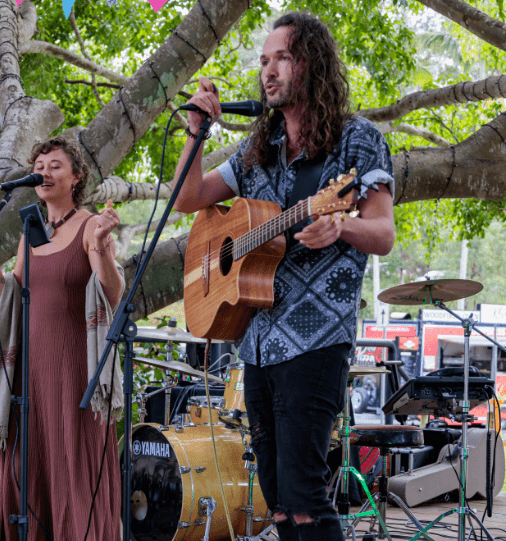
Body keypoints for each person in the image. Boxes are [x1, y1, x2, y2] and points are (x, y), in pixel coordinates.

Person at [172, 12, 395, 541]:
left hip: (317, 340)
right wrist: (197, 135)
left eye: (281, 59)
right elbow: (187, 198)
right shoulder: (257, 149)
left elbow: (382, 232)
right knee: (274, 497)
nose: (267, 71)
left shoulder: (357, 140)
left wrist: (341, 225)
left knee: (304, 495)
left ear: (310, 64)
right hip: (258, 342)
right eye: (264, 61)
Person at [0, 136, 124, 541]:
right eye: (39, 164)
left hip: (74, 369)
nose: (44, 171)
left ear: (76, 177)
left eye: (55, 164)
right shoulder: (29, 232)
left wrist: (104, 248)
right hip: (30, 373)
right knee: (29, 460)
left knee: (74, 459)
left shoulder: (91, 224)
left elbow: (113, 293)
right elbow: (12, 301)